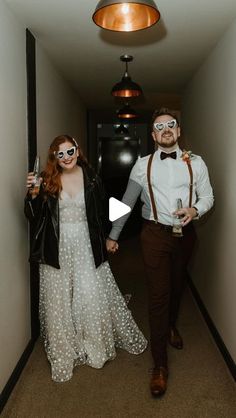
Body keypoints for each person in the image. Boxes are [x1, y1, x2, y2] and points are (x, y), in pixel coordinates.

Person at [106, 108, 214, 397]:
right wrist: (113, 235)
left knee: (178, 286)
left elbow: (209, 197)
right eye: (159, 126)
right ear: (153, 135)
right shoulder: (142, 165)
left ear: (178, 131)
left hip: (185, 235)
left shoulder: (197, 163)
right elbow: (125, 202)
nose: (166, 129)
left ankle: (170, 326)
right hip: (153, 234)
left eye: (171, 125)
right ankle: (160, 365)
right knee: (158, 294)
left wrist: (195, 209)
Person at [24, 134, 147, 383]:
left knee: (89, 293)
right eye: (61, 154)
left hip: (85, 244)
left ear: (78, 151)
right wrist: (33, 194)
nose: (67, 157)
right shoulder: (47, 179)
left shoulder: (92, 178)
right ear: (54, 157)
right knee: (58, 298)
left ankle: (94, 345)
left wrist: (110, 237)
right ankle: (64, 350)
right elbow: (32, 216)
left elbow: (101, 213)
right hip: (55, 246)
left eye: (70, 152)